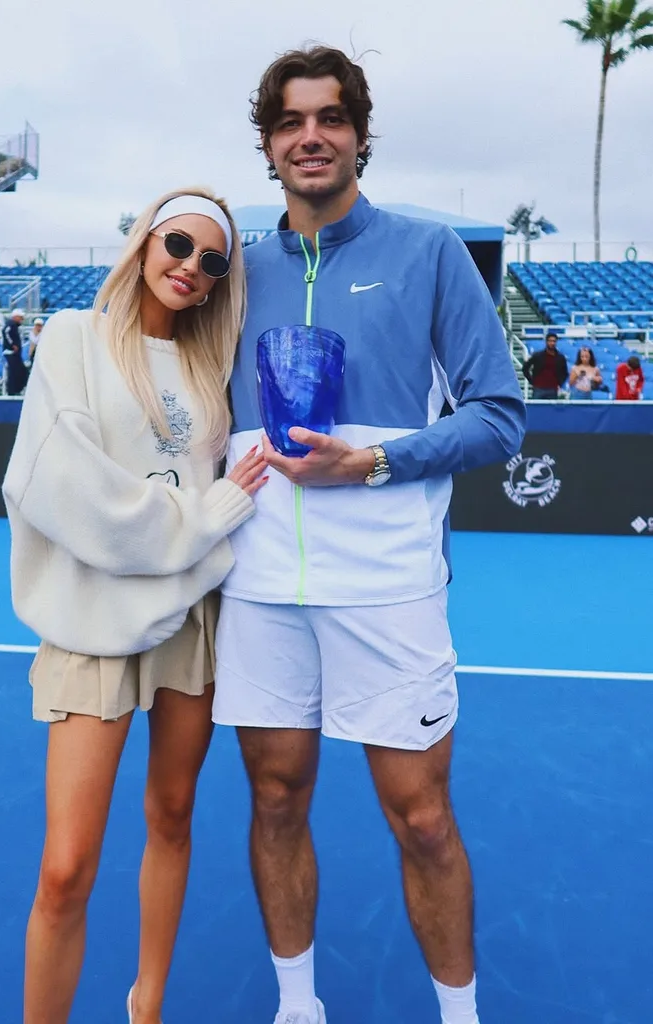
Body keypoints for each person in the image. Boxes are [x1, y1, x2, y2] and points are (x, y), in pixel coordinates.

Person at [211, 45, 526, 1024]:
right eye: (292, 121)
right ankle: (298, 1005)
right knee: (273, 799)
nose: (312, 136)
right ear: (268, 145)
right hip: (257, 588)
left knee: (424, 821)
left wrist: (373, 463)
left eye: (331, 118)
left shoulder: (428, 254)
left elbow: (500, 415)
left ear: (358, 135)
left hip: (388, 587)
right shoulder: (231, 270)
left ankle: (458, 1014)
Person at [2, 187, 268, 1024]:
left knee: (174, 815)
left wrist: (198, 524)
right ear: (145, 241)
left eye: (213, 261)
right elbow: (63, 489)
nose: (191, 268)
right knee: (66, 867)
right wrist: (208, 516)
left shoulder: (206, 370)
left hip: (188, 623)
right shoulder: (73, 340)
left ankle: (144, 1006)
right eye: (179, 245)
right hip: (92, 626)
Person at [522, 332, 567, 399]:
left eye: (554, 341)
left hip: (553, 389)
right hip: (538, 388)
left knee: (551, 409)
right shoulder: (537, 355)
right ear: (546, 342)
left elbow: (565, 372)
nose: (552, 343)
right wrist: (532, 381)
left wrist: (559, 383)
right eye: (550, 341)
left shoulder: (560, 357)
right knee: (537, 407)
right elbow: (525, 368)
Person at [2, 307, 28, 395]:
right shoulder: (11, 324)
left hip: (15, 353)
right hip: (11, 353)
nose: (22, 319)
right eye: (21, 317)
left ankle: (17, 389)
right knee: (14, 371)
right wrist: (12, 345)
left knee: (21, 370)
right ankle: (12, 391)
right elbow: (5, 332)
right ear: (15, 317)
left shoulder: (15, 326)